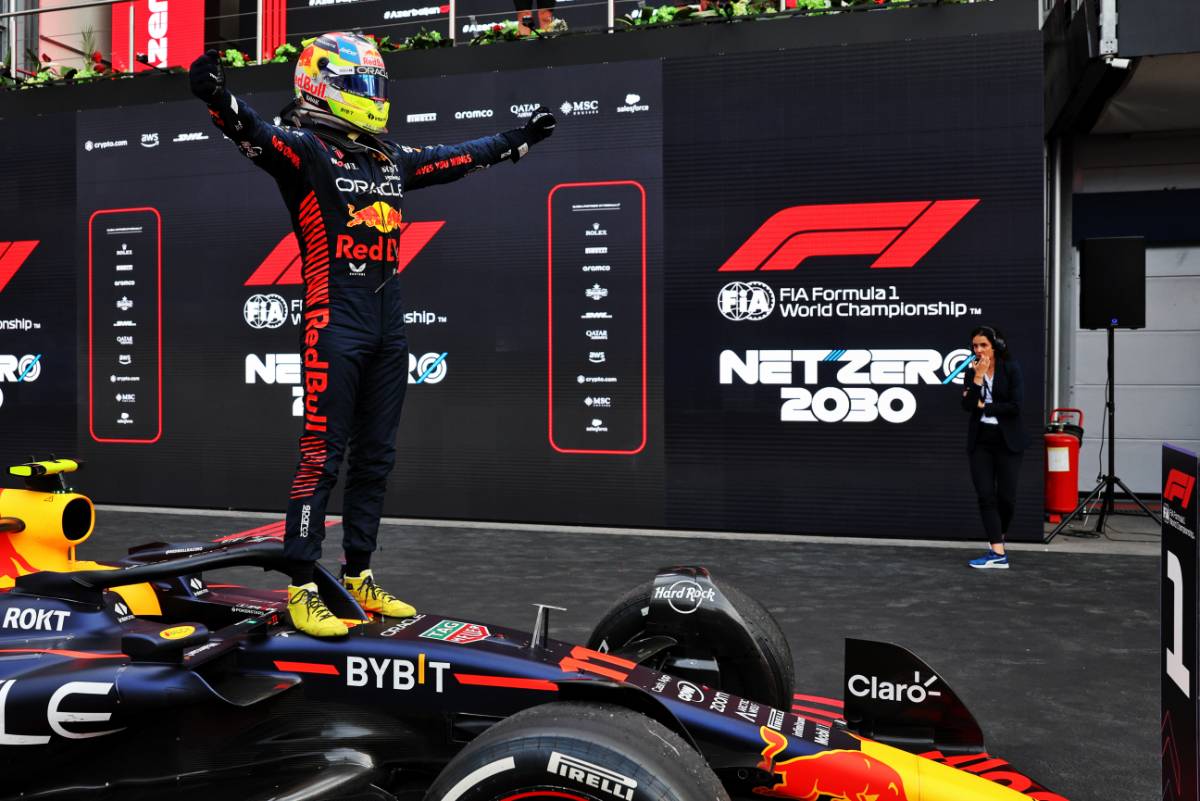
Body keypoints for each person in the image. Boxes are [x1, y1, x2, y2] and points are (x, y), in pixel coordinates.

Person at [188, 34, 556, 636]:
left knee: (377, 457)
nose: (372, 95)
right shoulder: (305, 150)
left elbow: (457, 157)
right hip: (334, 322)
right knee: (321, 457)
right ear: (321, 85)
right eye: (360, 85)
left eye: (376, 85)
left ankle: (358, 574)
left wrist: (519, 138)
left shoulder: (388, 158)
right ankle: (302, 586)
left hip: (388, 325)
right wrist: (216, 97)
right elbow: (252, 131)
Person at [960, 325, 1029, 569]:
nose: (979, 350)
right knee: (985, 495)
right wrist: (978, 377)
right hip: (981, 440)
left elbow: (1015, 406)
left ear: (996, 346)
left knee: (1006, 498)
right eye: (975, 346)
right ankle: (997, 551)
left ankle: (999, 536)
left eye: (984, 345)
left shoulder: (1011, 368)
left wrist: (985, 407)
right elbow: (967, 405)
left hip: (1007, 440)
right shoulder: (971, 371)